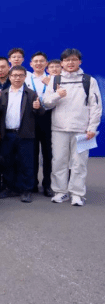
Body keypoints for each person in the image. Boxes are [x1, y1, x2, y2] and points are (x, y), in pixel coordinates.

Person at [43, 48, 101, 206]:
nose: (70, 63)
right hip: (59, 129)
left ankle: (77, 193)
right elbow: (46, 103)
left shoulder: (89, 80)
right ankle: (60, 192)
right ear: (61, 63)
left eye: (74, 60)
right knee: (59, 161)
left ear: (79, 62)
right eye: (67, 60)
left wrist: (92, 128)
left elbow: (96, 106)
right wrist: (57, 95)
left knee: (79, 163)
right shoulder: (55, 80)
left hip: (82, 130)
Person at [0, 65, 44, 203]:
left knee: (26, 163)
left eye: (20, 75)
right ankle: (9, 188)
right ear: (10, 77)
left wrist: (38, 108)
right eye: (14, 75)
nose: (17, 78)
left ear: (25, 77)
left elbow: (40, 113)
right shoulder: (3, 93)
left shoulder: (31, 94)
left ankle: (27, 190)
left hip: (25, 134)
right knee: (7, 162)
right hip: (7, 134)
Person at [26, 51, 53, 196]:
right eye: (35, 61)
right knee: (32, 153)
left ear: (46, 64)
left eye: (41, 61)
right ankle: (33, 183)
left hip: (48, 117)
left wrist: (51, 85)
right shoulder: (26, 78)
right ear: (31, 64)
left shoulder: (53, 79)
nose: (38, 64)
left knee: (48, 153)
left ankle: (48, 184)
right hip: (31, 117)